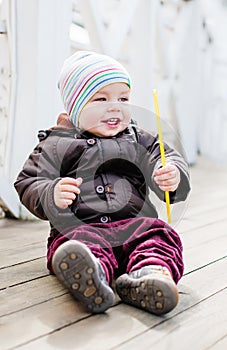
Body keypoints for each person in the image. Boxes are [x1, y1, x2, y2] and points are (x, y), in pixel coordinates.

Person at [14, 51, 191, 315]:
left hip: (134, 224)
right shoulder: (55, 144)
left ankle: (151, 273)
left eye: (123, 98)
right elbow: (28, 181)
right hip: (80, 226)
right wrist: (50, 193)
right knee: (78, 242)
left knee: (158, 234)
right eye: (101, 99)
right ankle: (90, 273)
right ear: (76, 107)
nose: (115, 106)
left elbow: (166, 158)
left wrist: (172, 174)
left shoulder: (140, 139)